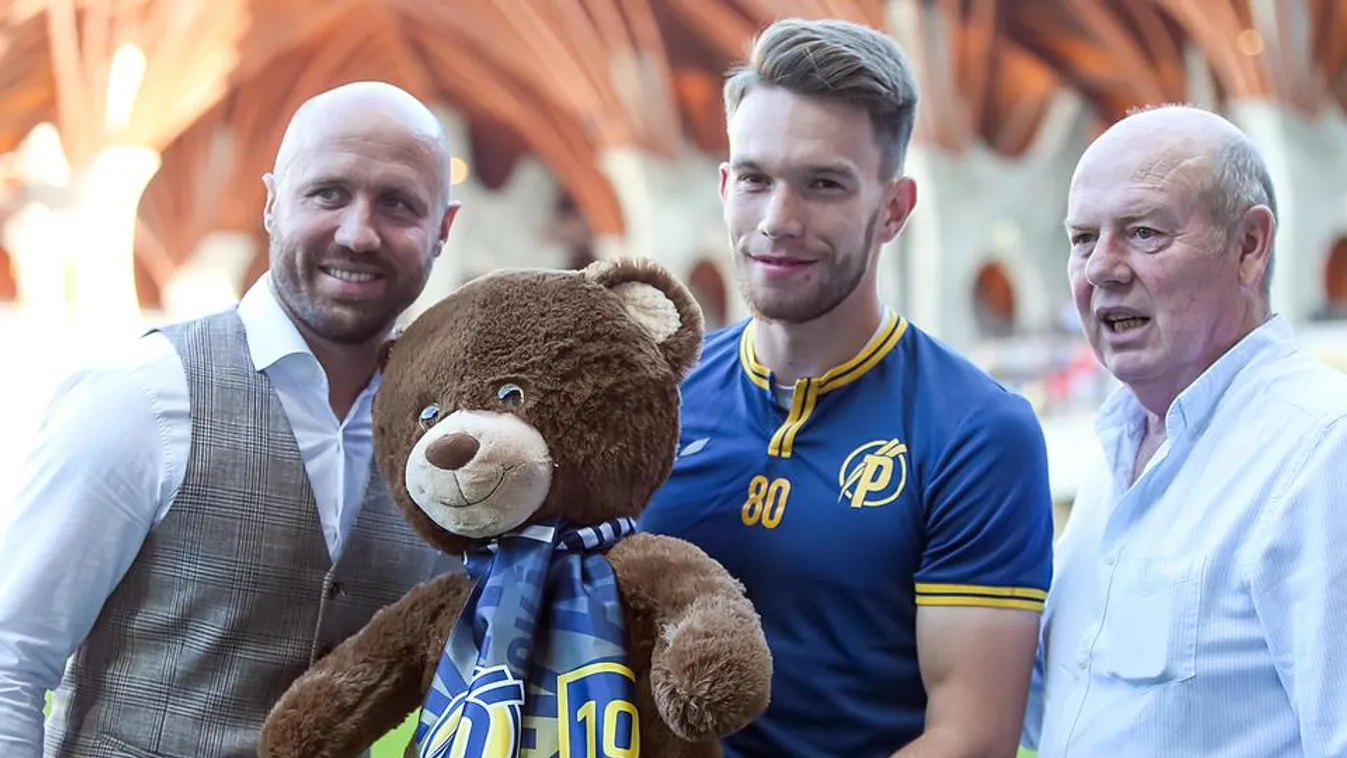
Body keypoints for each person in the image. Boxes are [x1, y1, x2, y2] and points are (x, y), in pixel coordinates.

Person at [0, 81, 462, 757]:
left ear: (442, 229)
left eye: (397, 203)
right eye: (328, 193)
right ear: (272, 202)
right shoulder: (142, 395)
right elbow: (11, 660)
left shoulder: (444, 440)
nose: (358, 232)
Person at [638, 18, 1056, 758]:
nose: (778, 220)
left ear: (893, 208)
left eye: (823, 184)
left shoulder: (976, 433)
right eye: (756, 179)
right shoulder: (655, 393)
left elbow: (971, 737)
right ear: (726, 187)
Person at [1022, 104, 1347, 756]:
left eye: (1143, 232)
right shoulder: (1118, 453)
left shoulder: (1321, 453)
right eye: (1082, 239)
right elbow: (1067, 714)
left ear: (1249, 245)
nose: (1100, 268)